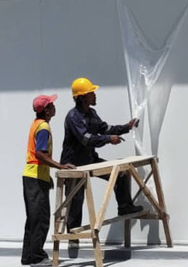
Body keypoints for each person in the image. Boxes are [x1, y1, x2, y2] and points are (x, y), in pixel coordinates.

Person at [61, 77, 143, 247]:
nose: (95, 96)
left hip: (90, 160)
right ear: (82, 97)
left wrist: (126, 127)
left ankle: (125, 206)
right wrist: (108, 139)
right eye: (92, 93)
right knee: (76, 202)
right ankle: (72, 239)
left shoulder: (91, 114)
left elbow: (105, 129)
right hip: (74, 165)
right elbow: (86, 138)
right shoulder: (73, 117)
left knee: (120, 174)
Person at [21, 94, 75, 267]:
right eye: (52, 105)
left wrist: (47, 176)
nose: (54, 107)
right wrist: (60, 166)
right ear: (46, 110)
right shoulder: (43, 127)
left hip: (34, 176)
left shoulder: (37, 124)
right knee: (41, 218)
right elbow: (39, 154)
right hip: (35, 177)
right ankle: (37, 257)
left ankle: (28, 256)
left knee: (33, 218)